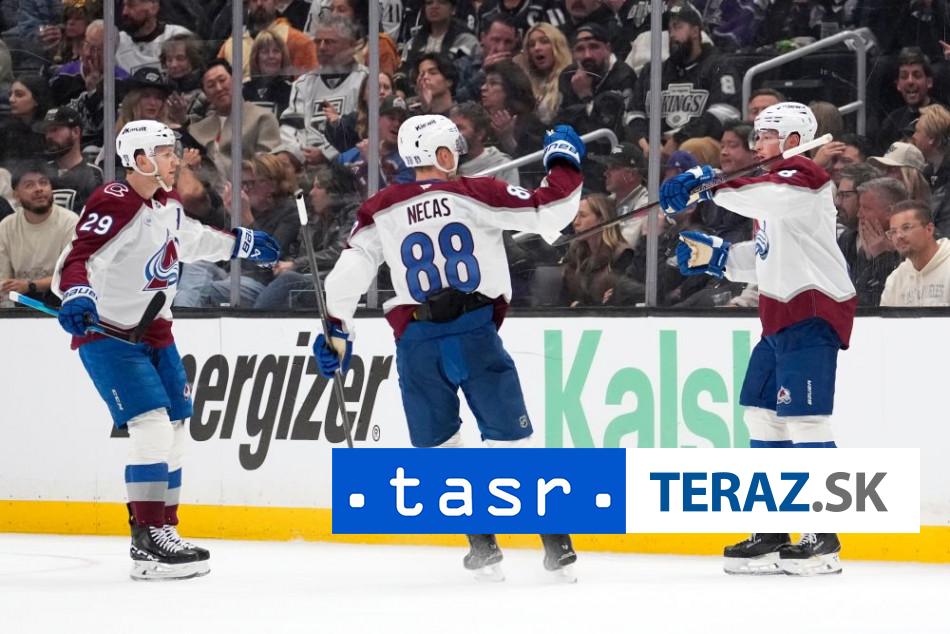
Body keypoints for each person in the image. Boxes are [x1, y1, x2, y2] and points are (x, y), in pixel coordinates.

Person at [311, 114, 585, 580]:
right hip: (475, 334)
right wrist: (565, 160)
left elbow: (345, 279)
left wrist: (338, 334)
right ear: (440, 154)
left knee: (440, 451)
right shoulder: (474, 192)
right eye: (452, 149)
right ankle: (556, 545)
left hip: (417, 345)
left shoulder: (381, 207)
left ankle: (483, 547)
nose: (457, 155)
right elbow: (552, 209)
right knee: (512, 443)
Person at [50, 120, 280, 580]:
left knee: (175, 428)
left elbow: (190, 237)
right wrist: (77, 293)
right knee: (152, 428)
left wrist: (240, 243)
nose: (176, 160)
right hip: (109, 335)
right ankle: (147, 539)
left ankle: (164, 529)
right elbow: (81, 257)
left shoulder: (165, 203)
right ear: (140, 159)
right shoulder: (114, 201)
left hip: (155, 333)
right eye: (167, 152)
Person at [660, 102, 857, 576]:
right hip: (778, 315)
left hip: (811, 312)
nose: (757, 144)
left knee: (806, 421)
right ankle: (772, 530)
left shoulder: (806, 176)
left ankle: (823, 538)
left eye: (767, 135)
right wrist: (721, 258)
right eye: (758, 136)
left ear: (793, 141)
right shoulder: (772, 191)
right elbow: (770, 254)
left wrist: (707, 183)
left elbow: (758, 195)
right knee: (761, 415)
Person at [0, 162, 78, 306]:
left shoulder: (70, 222)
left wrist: (30, 286)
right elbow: (4, 280)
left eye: (43, 183)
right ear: (16, 195)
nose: (39, 189)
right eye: (29, 185)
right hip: (18, 307)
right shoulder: (6, 226)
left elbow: (72, 275)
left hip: (61, 305)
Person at [881, 200, 950, 306]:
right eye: (893, 232)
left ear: (929, 229)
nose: (898, 236)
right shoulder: (896, 279)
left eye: (906, 228)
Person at [42, 106, 104, 213]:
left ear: (75, 132)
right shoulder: (41, 172)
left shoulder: (93, 174)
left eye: (54, 130)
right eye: (46, 131)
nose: (49, 136)